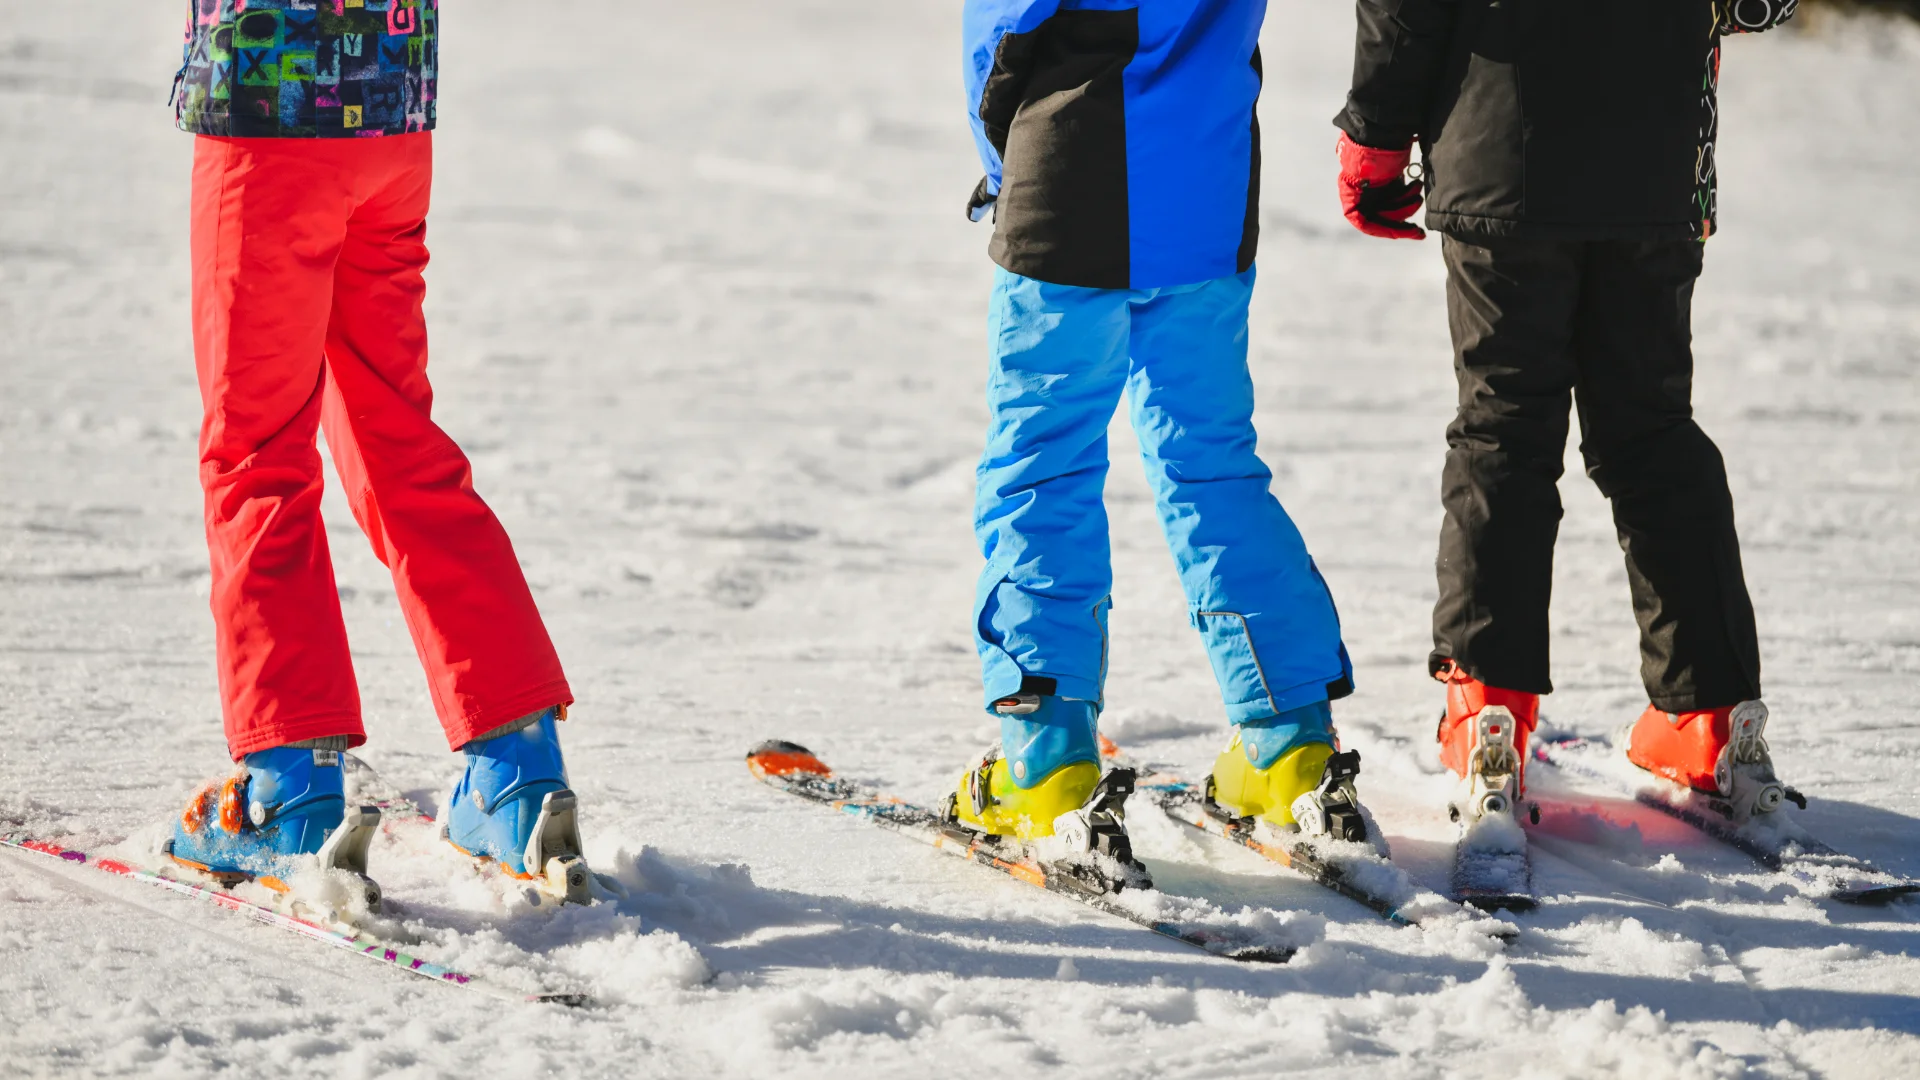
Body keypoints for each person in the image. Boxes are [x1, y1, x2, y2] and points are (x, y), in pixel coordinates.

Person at [1331, 0, 1804, 827]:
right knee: (1652, 429)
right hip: (1655, 144)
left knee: (1503, 426)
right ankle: (1708, 719)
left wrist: (1375, 130)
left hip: (1499, 136)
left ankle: (1489, 714)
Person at [163, 0, 590, 904]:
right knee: (394, 434)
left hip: (267, 115)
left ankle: (289, 782)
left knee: (257, 452)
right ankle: (515, 763)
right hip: (389, 112)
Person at [950, 0, 1365, 882]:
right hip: (1207, 189)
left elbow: (1001, 30)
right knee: (1212, 463)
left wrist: (1003, 162)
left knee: (1042, 466)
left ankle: (1045, 759)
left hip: (1069, 176)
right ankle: (1288, 743)